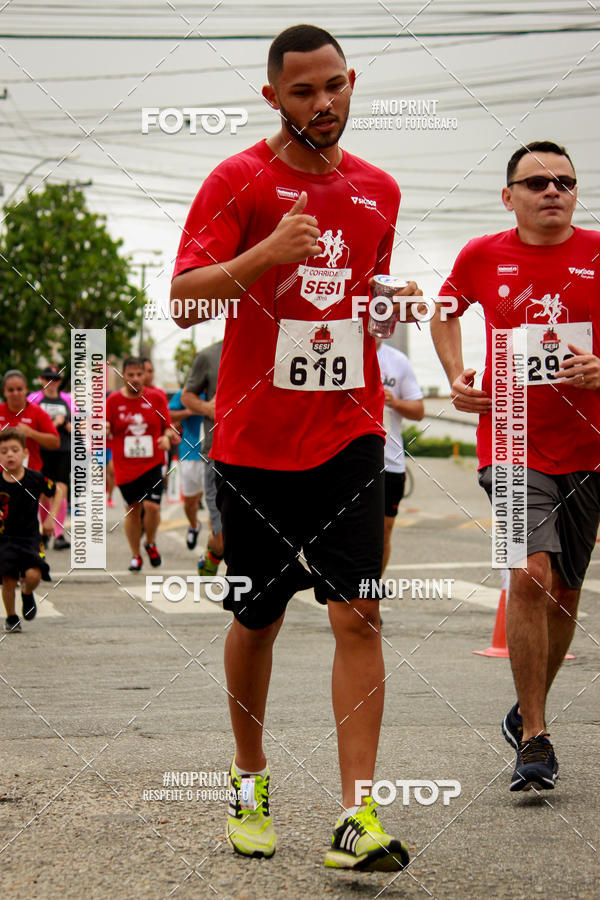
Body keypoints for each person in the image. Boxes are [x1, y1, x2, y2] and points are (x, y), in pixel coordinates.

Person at [171, 24, 423, 871]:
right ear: (273, 95)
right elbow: (182, 298)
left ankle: (359, 817)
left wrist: (393, 303)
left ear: (352, 82)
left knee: (359, 612)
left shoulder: (380, 190)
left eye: (333, 88)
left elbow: (358, 293)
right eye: (303, 92)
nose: (322, 105)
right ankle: (250, 780)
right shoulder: (238, 178)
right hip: (252, 442)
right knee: (259, 616)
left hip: (348, 431)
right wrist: (269, 251)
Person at [430, 140, 600, 793]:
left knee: (566, 591)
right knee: (529, 577)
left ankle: (527, 707)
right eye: (537, 183)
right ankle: (536, 736)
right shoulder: (480, 255)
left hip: (588, 448)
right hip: (509, 440)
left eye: (564, 180)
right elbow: (444, 314)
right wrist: (455, 375)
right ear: (510, 197)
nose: (552, 190)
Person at [106, 357, 174, 571]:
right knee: (133, 510)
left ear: (145, 375)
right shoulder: (113, 401)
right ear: (123, 376)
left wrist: (166, 437)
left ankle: (150, 542)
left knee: (152, 507)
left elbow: (168, 428)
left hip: (152, 463)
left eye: (139, 374)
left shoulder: (157, 397)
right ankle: (135, 555)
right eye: (131, 375)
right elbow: (105, 429)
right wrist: (104, 428)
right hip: (125, 467)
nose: (135, 379)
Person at [376, 340, 424, 573]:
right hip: (351, 460)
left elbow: (419, 411)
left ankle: (372, 589)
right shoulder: (348, 351)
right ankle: (345, 595)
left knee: (383, 531)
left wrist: (394, 402)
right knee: (351, 532)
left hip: (390, 462)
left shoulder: (398, 360)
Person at [0, 428, 55, 632]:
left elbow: (56, 491)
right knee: (8, 578)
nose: (10, 455)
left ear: (24, 453)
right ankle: (11, 617)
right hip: (4, 538)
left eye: (14, 450)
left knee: (34, 575)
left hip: (30, 537)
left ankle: (27, 592)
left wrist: (50, 518)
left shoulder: (35, 478)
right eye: (4, 451)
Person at [180, 342, 223, 575]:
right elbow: (187, 396)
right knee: (222, 537)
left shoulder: (268, 348)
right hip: (217, 453)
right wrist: (208, 408)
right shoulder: (209, 355)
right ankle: (213, 553)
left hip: (259, 457)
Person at [28, 365, 72, 550]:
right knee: (45, 492)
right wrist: (54, 423)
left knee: (61, 487)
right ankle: (45, 532)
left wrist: (71, 425)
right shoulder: (33, 399)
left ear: (60, 382)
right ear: (41, 380)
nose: (51, 383)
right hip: (41, 449)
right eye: (47, 379)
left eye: (55, 379)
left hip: (63, 449)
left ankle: (59, 534)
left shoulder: (68, 399)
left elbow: (79, 421)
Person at [0, 370, 59, 472]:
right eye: (10, 390)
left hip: (30, 474)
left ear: (26, 390)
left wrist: (31, 433)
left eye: (19, 389)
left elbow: (55, 442)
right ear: (4, 391)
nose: (15, 393)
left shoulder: (37, 412)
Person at [168, 387, 205, 549]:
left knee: (216, 504)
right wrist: (192, 410)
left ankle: (215, 544)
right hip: (190, 455)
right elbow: (169, 415)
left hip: (215, 455)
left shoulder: (220, 389)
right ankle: (194, 525)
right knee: (190, 502)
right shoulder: (185, 393)